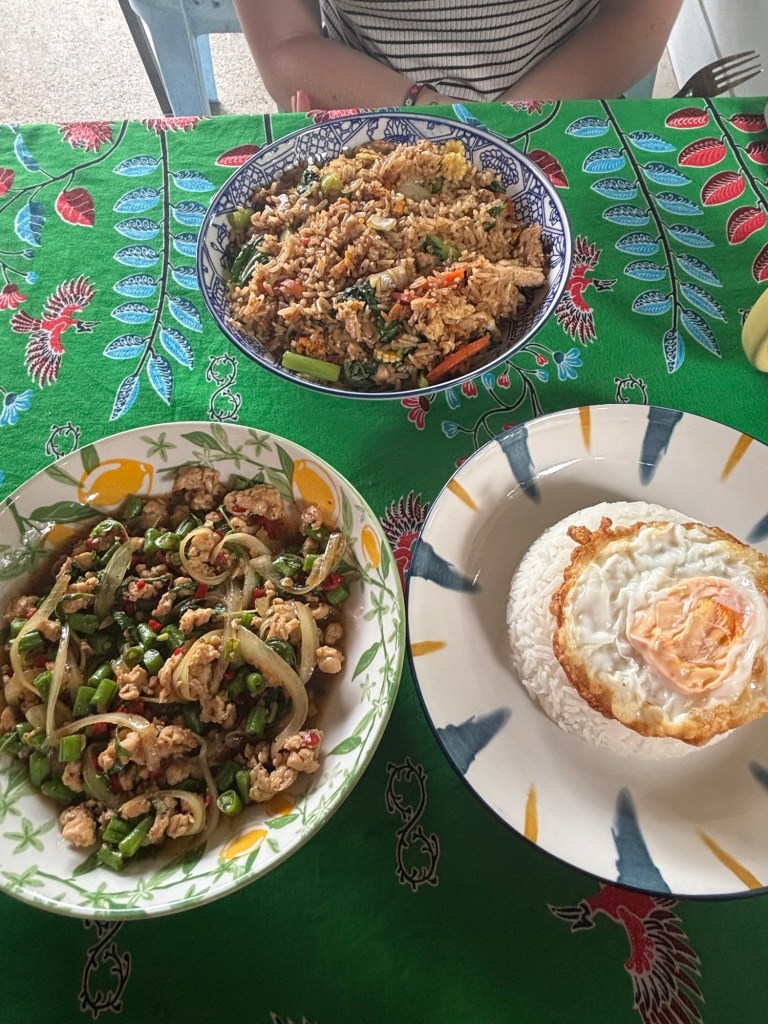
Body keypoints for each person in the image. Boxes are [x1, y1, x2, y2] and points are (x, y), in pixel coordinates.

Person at [233, 0, 683, 112]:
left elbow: (639, 16)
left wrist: (509, 119)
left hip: (564, 103)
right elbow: (283, 44)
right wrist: (437, 113)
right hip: (364, 105)